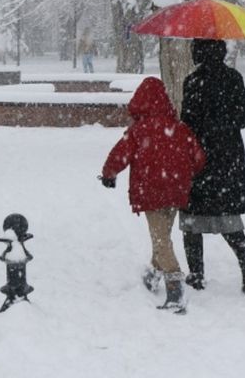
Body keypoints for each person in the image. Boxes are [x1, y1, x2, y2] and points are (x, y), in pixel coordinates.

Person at [100, 77, 205, 313]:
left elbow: (120, 155)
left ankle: (175, 289)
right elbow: (198, 158)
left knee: (161, 240)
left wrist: (109, 174)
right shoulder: (180, 129)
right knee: (162, 237)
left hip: (151, 192)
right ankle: (152, 274)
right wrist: (182, 174)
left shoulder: (138, 131)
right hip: (176, 191)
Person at [180, 38, 245, 295]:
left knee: (193, 216)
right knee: (227, 216)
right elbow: (242, 118)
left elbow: (187, 121)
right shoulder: (234, 78)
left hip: (199, 155)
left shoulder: (193, 82)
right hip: (228, 155)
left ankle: (196, 274)